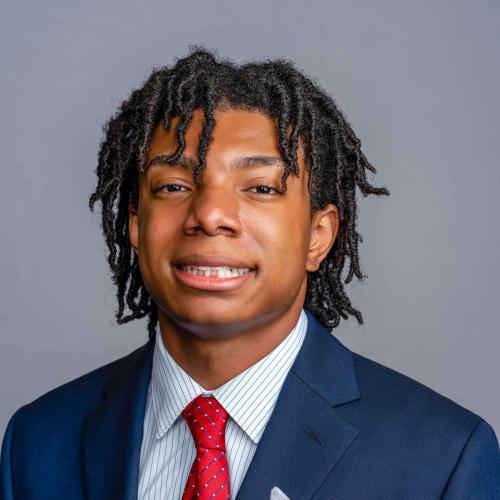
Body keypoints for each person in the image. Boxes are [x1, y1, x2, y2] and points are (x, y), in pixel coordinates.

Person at [1, 46, 499, 500]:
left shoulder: (443, 459)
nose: (210, 214)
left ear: (318, 235)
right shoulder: (39, 441)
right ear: (135, 223)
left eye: (260, 188)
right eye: (174, 186)